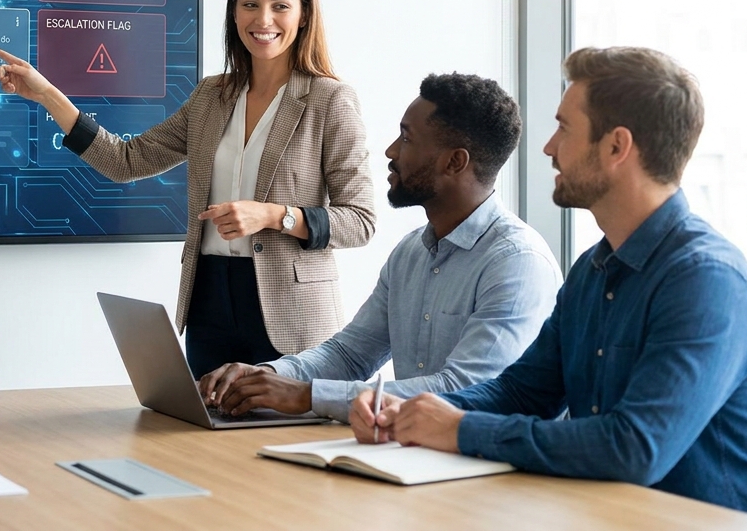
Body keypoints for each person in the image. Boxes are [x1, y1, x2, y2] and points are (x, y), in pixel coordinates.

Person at [353, 47, 747, 515]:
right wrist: (413, 413)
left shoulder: (707, 280)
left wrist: (459, 429)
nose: (549, 148)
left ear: (616, 147)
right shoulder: (593, 269)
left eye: (564, 128)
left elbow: (633, 448)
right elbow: (523, 392)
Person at [0, 0, 376, 377]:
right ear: (234, 13)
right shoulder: (212, 96)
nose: (263, 20)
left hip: (291, 315)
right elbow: (126, 160)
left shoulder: (330, 100)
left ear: (303, 15)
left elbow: (360, 220)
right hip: (209, 301)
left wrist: (274, 216)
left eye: (280, 6)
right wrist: (46, 95)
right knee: (199, 438)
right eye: (250, 5)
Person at [198, 74, 561, 421]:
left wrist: (307, 395)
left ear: (455, 162)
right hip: (413, 453)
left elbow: (466, 390)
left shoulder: (517, 263)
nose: (390, 151)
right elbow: (349, 355)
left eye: (406, 138)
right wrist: (264, 376)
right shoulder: (411, 253)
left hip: (485, 470)